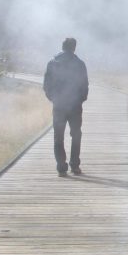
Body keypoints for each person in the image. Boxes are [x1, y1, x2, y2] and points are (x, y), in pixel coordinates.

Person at [43, 37, 89, 176]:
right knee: (76, 135)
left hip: (59, 105)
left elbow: (46, 85)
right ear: (74, 47)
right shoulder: (80, 64)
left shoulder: (52, 62)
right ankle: (74, 166)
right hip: (75, 105)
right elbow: (84, 85)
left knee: (58, 136)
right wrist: (81, 99)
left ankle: (61, 167)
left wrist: (53, 99)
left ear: (63, 47)